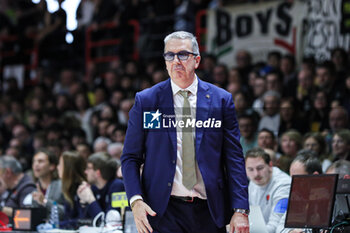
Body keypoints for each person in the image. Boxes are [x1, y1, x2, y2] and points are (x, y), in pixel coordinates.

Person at [121, 31, 249, 233]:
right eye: (169, 55)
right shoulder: (147, 101)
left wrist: (240, 209)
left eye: (182, 54)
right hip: (163, 211)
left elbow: (233, 158)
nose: (175, 61)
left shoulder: (221, 100)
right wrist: (136, 201)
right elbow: (130, 157)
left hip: (209, 209)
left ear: (196, 60)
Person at [276, 149, 323, 233]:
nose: (294, 183)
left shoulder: (333, 199)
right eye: (292, 178)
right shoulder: (297, 197)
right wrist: (291, 232)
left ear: (315, 177)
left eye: (298, 179)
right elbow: (280, 229)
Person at [245, 148, 291, 233]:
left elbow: (276, 226)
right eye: (250, 169)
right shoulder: (253, 182)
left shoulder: (284, 185)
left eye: (260, 168)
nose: (256, 174)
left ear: (270, 165)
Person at [77, 152, 125, 219]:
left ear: (98, 173)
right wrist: (84, 203)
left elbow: (110, 222)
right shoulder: (93, 188)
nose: (85, 172)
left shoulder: (118, 186)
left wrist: (91, 200)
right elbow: (83, 222)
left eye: (88, 168)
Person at [32, 149, 65, 218]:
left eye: (40, 161)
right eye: (34, 161)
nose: (36, 164)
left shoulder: (61, 185)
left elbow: (66, 212)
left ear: (52, 166)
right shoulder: (33, 187)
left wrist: (45, 201)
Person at [57, 151, 87, 223]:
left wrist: (58, 225)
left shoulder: (82, 189)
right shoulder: (68, 188)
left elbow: (82, 220)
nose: (57, 167)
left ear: (68, 168)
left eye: (60, 164)